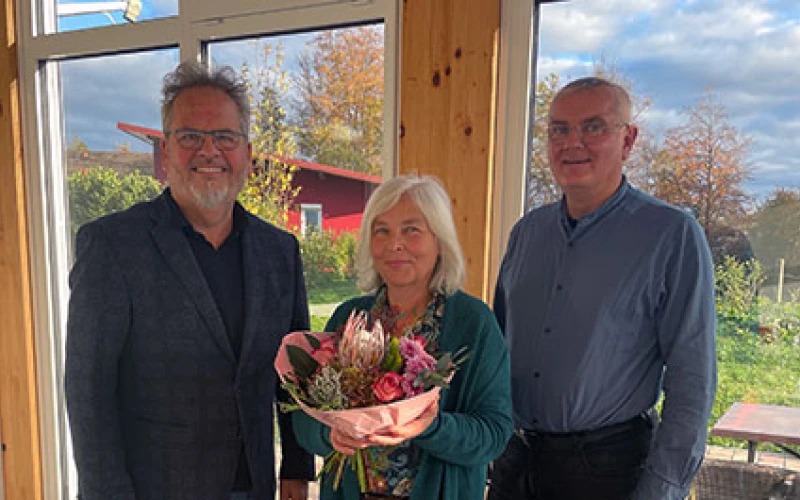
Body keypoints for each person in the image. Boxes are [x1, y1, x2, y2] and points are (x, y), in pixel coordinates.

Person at [65, 61, 314, 500]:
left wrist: (295, 466)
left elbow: (293, 376)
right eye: (190, 137)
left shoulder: (280, 252)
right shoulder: (112, 246)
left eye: (224, 137)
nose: (209, 151)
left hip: (254, 485)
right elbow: (89, 393)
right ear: (166, 152)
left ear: (248, 155)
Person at [488, 77, 717, 500]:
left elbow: (692, 381)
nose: (571, 142)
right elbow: (495, 352)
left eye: (593, 127)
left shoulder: (671, 236)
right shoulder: (526, 234)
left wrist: (663, 488)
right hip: (514, 464)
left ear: (628, 140)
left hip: (608, 472)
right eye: (559, 129)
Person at [292, 174, 513, 500]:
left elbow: (493, 435)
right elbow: (304, 421)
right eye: (382, 231)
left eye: (412, 230)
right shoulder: (349, 319)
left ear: (439, 241)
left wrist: (430, 426)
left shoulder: (473, 323)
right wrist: (330, 434)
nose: (395, 244)